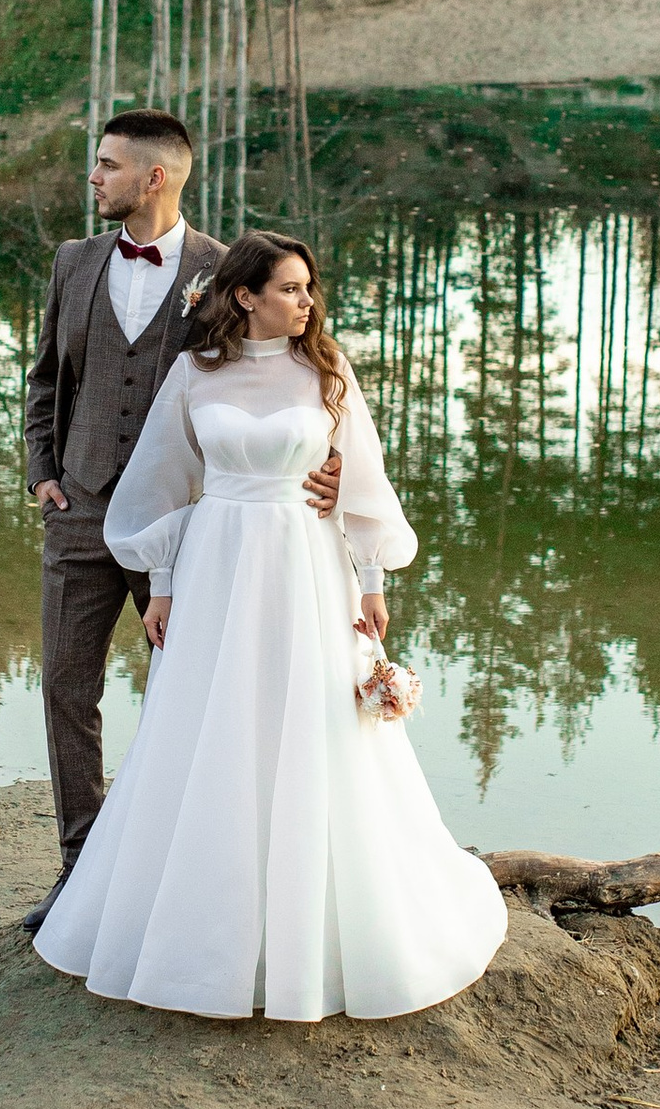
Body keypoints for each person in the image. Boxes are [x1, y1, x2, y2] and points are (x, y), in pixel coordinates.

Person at [32, 230, 507, 1021]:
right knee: (212, 725)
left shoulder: (326, 370)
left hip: (306, 565)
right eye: (290, 289)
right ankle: (199, 928)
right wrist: (160, 583)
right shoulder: (195, 371)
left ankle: (316, 926)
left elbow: (365, 474)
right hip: (217, 563)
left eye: (309, 288)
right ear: (245, 296)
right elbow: (162, 481)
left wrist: (372, 578)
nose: (306, 302)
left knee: (312, 724)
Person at [28, 113, 339, 931]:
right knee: (66, 686)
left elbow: (290, 373)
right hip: (80, 510)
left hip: (196, 525)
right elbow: (46, 379)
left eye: (107, 165)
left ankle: (191, 872)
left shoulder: (229, 269)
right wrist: (43, 473)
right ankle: (80, 869)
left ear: (154, 176)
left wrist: (327, 459)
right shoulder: (73, 262)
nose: (95, 178)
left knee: (198, 690)